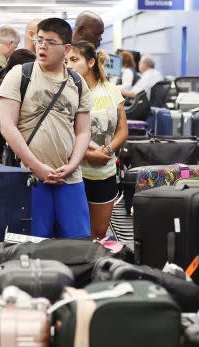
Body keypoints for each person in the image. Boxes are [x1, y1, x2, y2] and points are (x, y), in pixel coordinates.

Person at [0, 18, 92, 239]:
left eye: (51, 42)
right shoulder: (20, 74)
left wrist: (72, 165)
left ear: (67, 48)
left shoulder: (78, 83)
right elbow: (7, 127)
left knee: (77, 246)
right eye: (39, 40)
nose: (42, 46)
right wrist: (37, 166)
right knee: (34, 247)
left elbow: (83, 131)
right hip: (30, 177)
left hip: (69, 179)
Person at [67, 41, 128, 240]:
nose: (69, 65)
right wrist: (88, 154)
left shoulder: (111, 90)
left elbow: (122, 129)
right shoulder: (67, 92)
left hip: (105, 172)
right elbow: (64, 134)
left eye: (74, 60)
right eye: (66, 60)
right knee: (77, 235)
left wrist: (108, 150)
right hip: (75, 173)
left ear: (91, 62)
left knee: (98, 234)